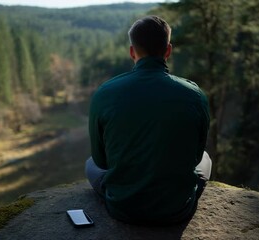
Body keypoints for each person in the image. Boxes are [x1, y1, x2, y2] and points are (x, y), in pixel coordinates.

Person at [85, 16, 211, 225]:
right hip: (177, 209)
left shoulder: (105, 93)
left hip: (123, 208)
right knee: (206, 158)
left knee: (89, 164)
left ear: (132, 52)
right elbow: (196, 156)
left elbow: (101, 161)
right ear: (168, 50)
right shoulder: (194, 95)